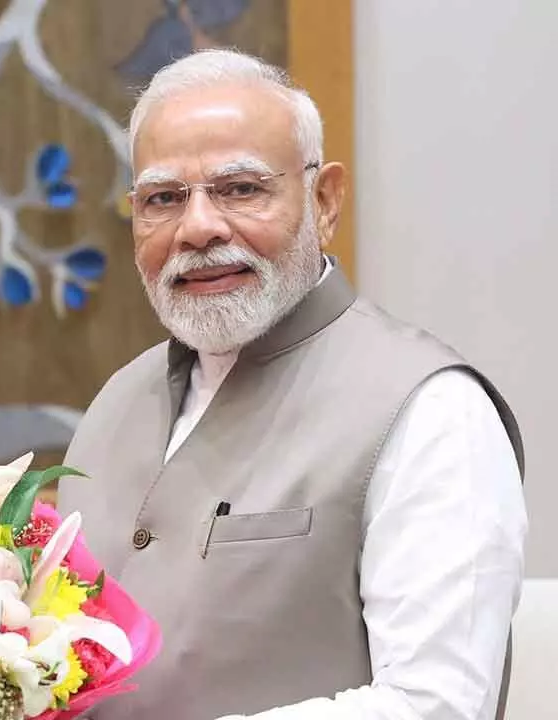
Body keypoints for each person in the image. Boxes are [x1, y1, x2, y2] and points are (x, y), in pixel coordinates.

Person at [58, 48, 526, 720]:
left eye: (240, 189)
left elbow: (436, 703)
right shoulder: (118, 400)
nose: (198, 228)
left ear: (324, 201)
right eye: (163, 199)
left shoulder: (432, 410)